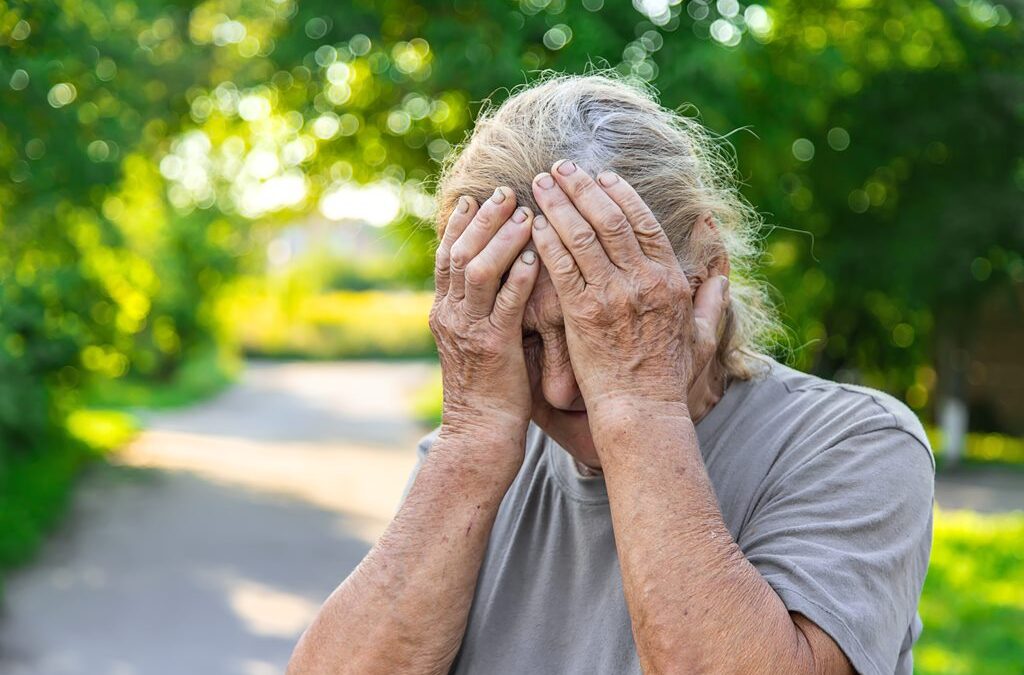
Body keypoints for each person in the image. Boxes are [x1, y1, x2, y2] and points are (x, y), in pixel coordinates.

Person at [288, 74, 934, 675]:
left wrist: (641, 406)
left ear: (706, 271)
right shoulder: (476, 460)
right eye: (529, 339)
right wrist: (469, 441)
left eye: (601, 329)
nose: (563, 387)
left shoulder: (854, 443)